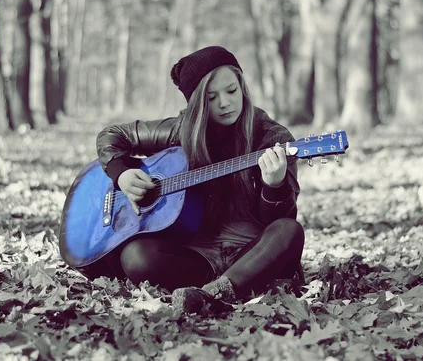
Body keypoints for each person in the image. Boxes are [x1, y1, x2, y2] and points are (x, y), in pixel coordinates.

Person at [92, 46, 305, 313]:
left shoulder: (273, 138)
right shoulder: (180, 131)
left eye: (231, 91)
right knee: (136, 256)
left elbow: (280, 220)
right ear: (196, 103)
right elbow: (112, 135)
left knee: (289, 230)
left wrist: (274, 187)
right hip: (197, 256)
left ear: (242, 87)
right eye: (211, 97)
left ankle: (215, 293)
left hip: (253, 253)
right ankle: (215, 289)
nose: (225, 103)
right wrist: (121, 173)